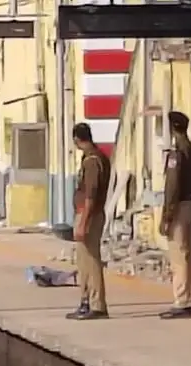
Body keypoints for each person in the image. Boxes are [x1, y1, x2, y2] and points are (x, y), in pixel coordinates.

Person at [159, 111, 191, 319]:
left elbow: (172, 187)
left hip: (179, 207)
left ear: (172, 129)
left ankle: (183, 300)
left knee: (179, 257)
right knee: (190, 255)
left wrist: (167, 215)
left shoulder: (177, 154)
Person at [66, 123, 111, 320]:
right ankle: (86, 300)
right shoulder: (98, 158)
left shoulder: (92, 161)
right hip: (89, 213)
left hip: (89, 214)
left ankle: (96, 304)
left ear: (77, 139)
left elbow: (91, 194)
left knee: (91, 260)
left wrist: (84, 221)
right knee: (83, 261)